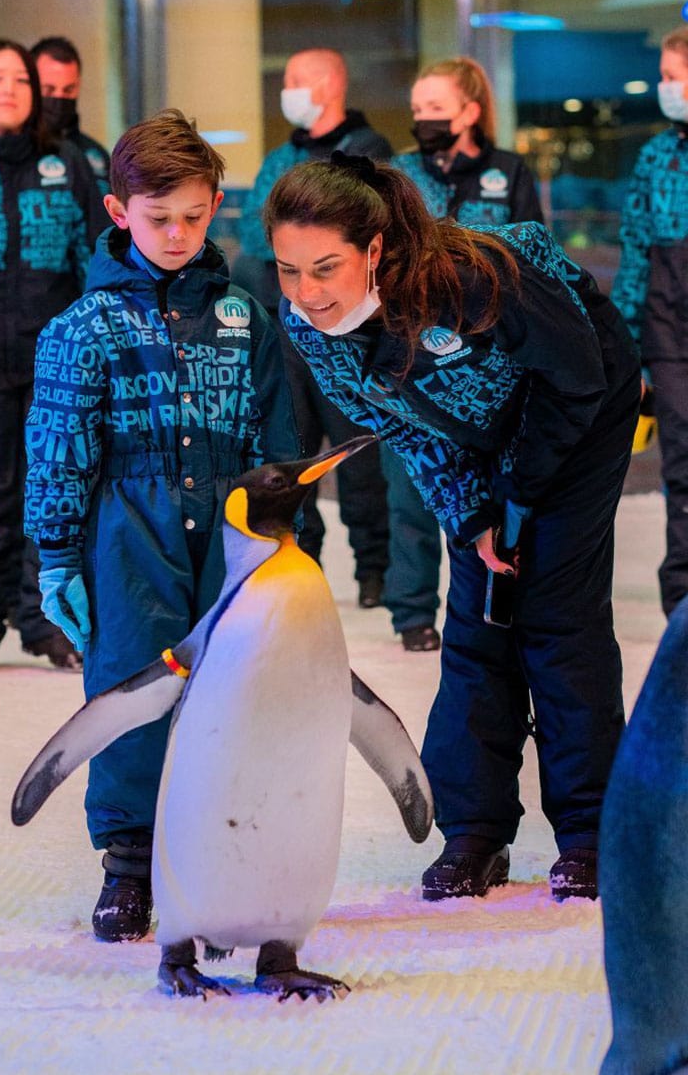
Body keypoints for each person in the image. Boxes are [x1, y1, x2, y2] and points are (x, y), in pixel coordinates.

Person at [263, 154, 640, 902]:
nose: (305, 294)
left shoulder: (474, 278)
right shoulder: (307, 324)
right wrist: (472, 516)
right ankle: (474, 829)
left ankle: (596, 832)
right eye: (287, 270)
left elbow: (575, 375)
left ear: (374, 250)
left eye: (325, 268)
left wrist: (519, 495)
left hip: (582, 404)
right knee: (477, 619)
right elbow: (397, 425)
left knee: (556, 618)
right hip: (475, 439)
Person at [24, 109, 299, 942]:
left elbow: (277, 440)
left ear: (217, 203)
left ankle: (220, 858)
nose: (176, 233)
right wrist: (58, 555)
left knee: (230, 693)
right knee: (130, 684)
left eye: (192, 214)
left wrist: (285, 542)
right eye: (156, 218)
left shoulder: (246, 319)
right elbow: (59, 448)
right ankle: (130, 864)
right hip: (126, 531)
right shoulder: (82, 328)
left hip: (231, 527)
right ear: (118, 212)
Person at [385, 56, 544, 653]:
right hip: (414, 350)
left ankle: (492, 599)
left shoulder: (509, 171)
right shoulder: (398, 173)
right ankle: (411, 611)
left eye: (436, 108)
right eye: (418, 109)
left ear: (470, 111)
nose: (423, 119)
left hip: (495, 354)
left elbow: (536, 253)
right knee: (413, 480)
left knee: (495, 487)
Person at [234, 47, 392, 609]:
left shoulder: (367, 155)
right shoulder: (279, 158)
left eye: (298, 79)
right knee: (291, 456)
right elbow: (257, 246)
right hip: (284, 336)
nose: (288, 89)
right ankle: (303, 563)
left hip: (349, 336)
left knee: (360, 460)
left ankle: (375, 571)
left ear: (331, 83)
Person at [0, 39, 107, 673]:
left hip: (55, 363)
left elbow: (93, 255)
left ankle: (45, 625)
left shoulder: (68, 162)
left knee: (51, 493)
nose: (9, 89)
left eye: (20, 79)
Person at [611, 25, 688, 619]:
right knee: (682, 465)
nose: (664, 87)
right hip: (669, 327)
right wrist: (628, 347)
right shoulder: (657, 156)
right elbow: (635, 251)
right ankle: (682, 603)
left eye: (671, 76)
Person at [31, 35, 111, 197]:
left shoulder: (95, 155)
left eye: (68, 90)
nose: (59, 98)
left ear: (78, 86)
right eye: (49, 90)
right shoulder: (17, 152)